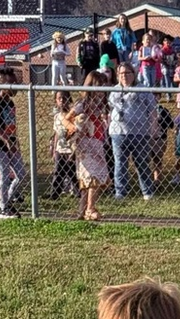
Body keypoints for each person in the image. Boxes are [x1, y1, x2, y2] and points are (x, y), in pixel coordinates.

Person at [108, 62, 156, 200]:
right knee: (120, 163)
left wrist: (153, 128)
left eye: (127, 73)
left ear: (133, 74)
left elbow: (152, 110)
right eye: (121, 73)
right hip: (118, 132)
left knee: (142, 163)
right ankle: (120, 192)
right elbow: (110, 110)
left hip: (140, 133)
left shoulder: (143, 89)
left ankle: (147, 192)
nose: (124, 76)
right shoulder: (114, 90)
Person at [73, 71, 110, 221]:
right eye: (99, 86)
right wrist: (76, 127)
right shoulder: (83, 104)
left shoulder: (101, 105)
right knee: (92, 175)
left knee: (96, 176)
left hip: (98, 142)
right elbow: (68, 118)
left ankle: (85, 208)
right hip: (86, 144)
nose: (102, 91)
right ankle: (90, 209)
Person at [0, 68, 27, 219]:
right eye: (12, 84)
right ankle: (4, 209)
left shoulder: (10, 103)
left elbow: (12, 124)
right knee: (4, 174)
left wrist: (14, 142)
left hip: (11, 144)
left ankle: (5, 201)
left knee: (21, 174)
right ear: (4, 85)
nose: (15, 87)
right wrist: (5, 140)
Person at [48, 90, 77, 201]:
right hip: (60, 148)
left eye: (64, 98)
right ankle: (55, 193)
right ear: (56, 101)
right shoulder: (57, 116)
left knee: (73, 172)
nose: (62, 100)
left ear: (69, 99)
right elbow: (56, 133)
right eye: (59, 98)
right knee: (58, 171)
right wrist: (54, 149)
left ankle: (78, 192)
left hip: (70, 149)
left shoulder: (72, 115)